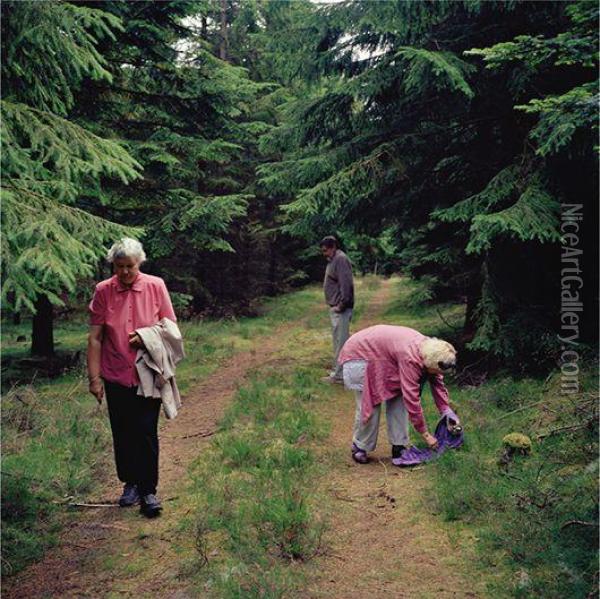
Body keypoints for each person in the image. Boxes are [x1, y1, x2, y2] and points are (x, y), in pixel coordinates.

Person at [87, 238, 177, 517]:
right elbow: (95, 338)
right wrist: (94, 378)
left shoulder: (155, 285)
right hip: (115, 372)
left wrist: (146, 336)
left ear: (140, 264)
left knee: (146, 431)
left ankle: (149, 490)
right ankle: (130, 483)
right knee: (123, 430)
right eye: (119, 266)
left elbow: (171, 328)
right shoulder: (103, 291)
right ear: (113, 265)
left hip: (148, 372)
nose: (125, 272)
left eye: (130, 266)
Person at [337, 324, 460, 464]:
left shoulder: (432, 351)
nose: (439, 374)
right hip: (360, 355)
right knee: (370, 405)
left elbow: (437, 381)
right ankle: (360, 446)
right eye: (437, 370)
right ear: (429, 364)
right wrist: (426, 435)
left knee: (399, 398)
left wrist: (446, 411)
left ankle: (399, 446)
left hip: (384, 358)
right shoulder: (411, 358)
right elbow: (412, 399)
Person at [320, 236, 354, 383]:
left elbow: (346, 284)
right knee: (337, 341)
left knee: (342, 342)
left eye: (325, 250)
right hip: (336, 308)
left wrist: (341, 305)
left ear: (333, 247)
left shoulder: (340, 259)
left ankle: (340, 376)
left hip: (341, 308)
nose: (324, 253)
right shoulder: (333, 260)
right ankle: (337, 371)